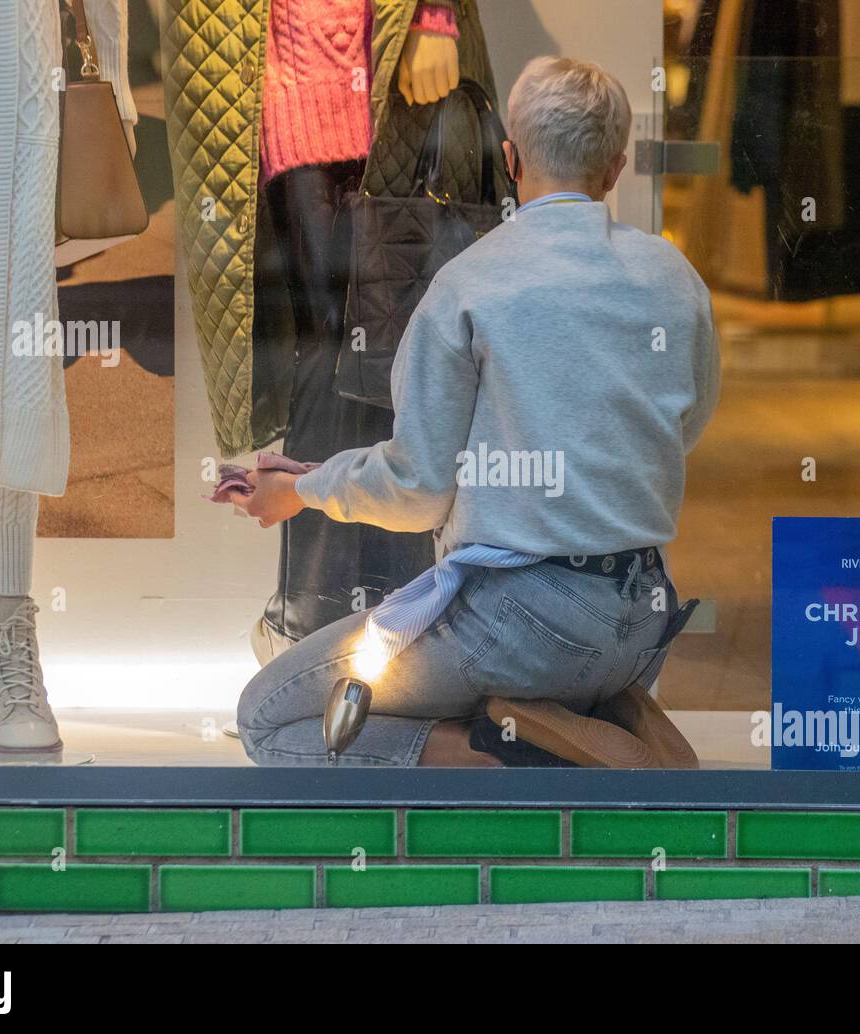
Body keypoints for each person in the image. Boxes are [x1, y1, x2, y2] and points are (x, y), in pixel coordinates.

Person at [231, 55, 721, 767]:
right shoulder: (674, 278)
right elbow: (686, 426)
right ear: (615, 170)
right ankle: (593, 722)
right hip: (641, 618)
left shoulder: (470, 285)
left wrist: (303, 491)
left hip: (521, 625)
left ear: (511, 158)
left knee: (269, 720)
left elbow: (417, 491)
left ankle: (510, 754)